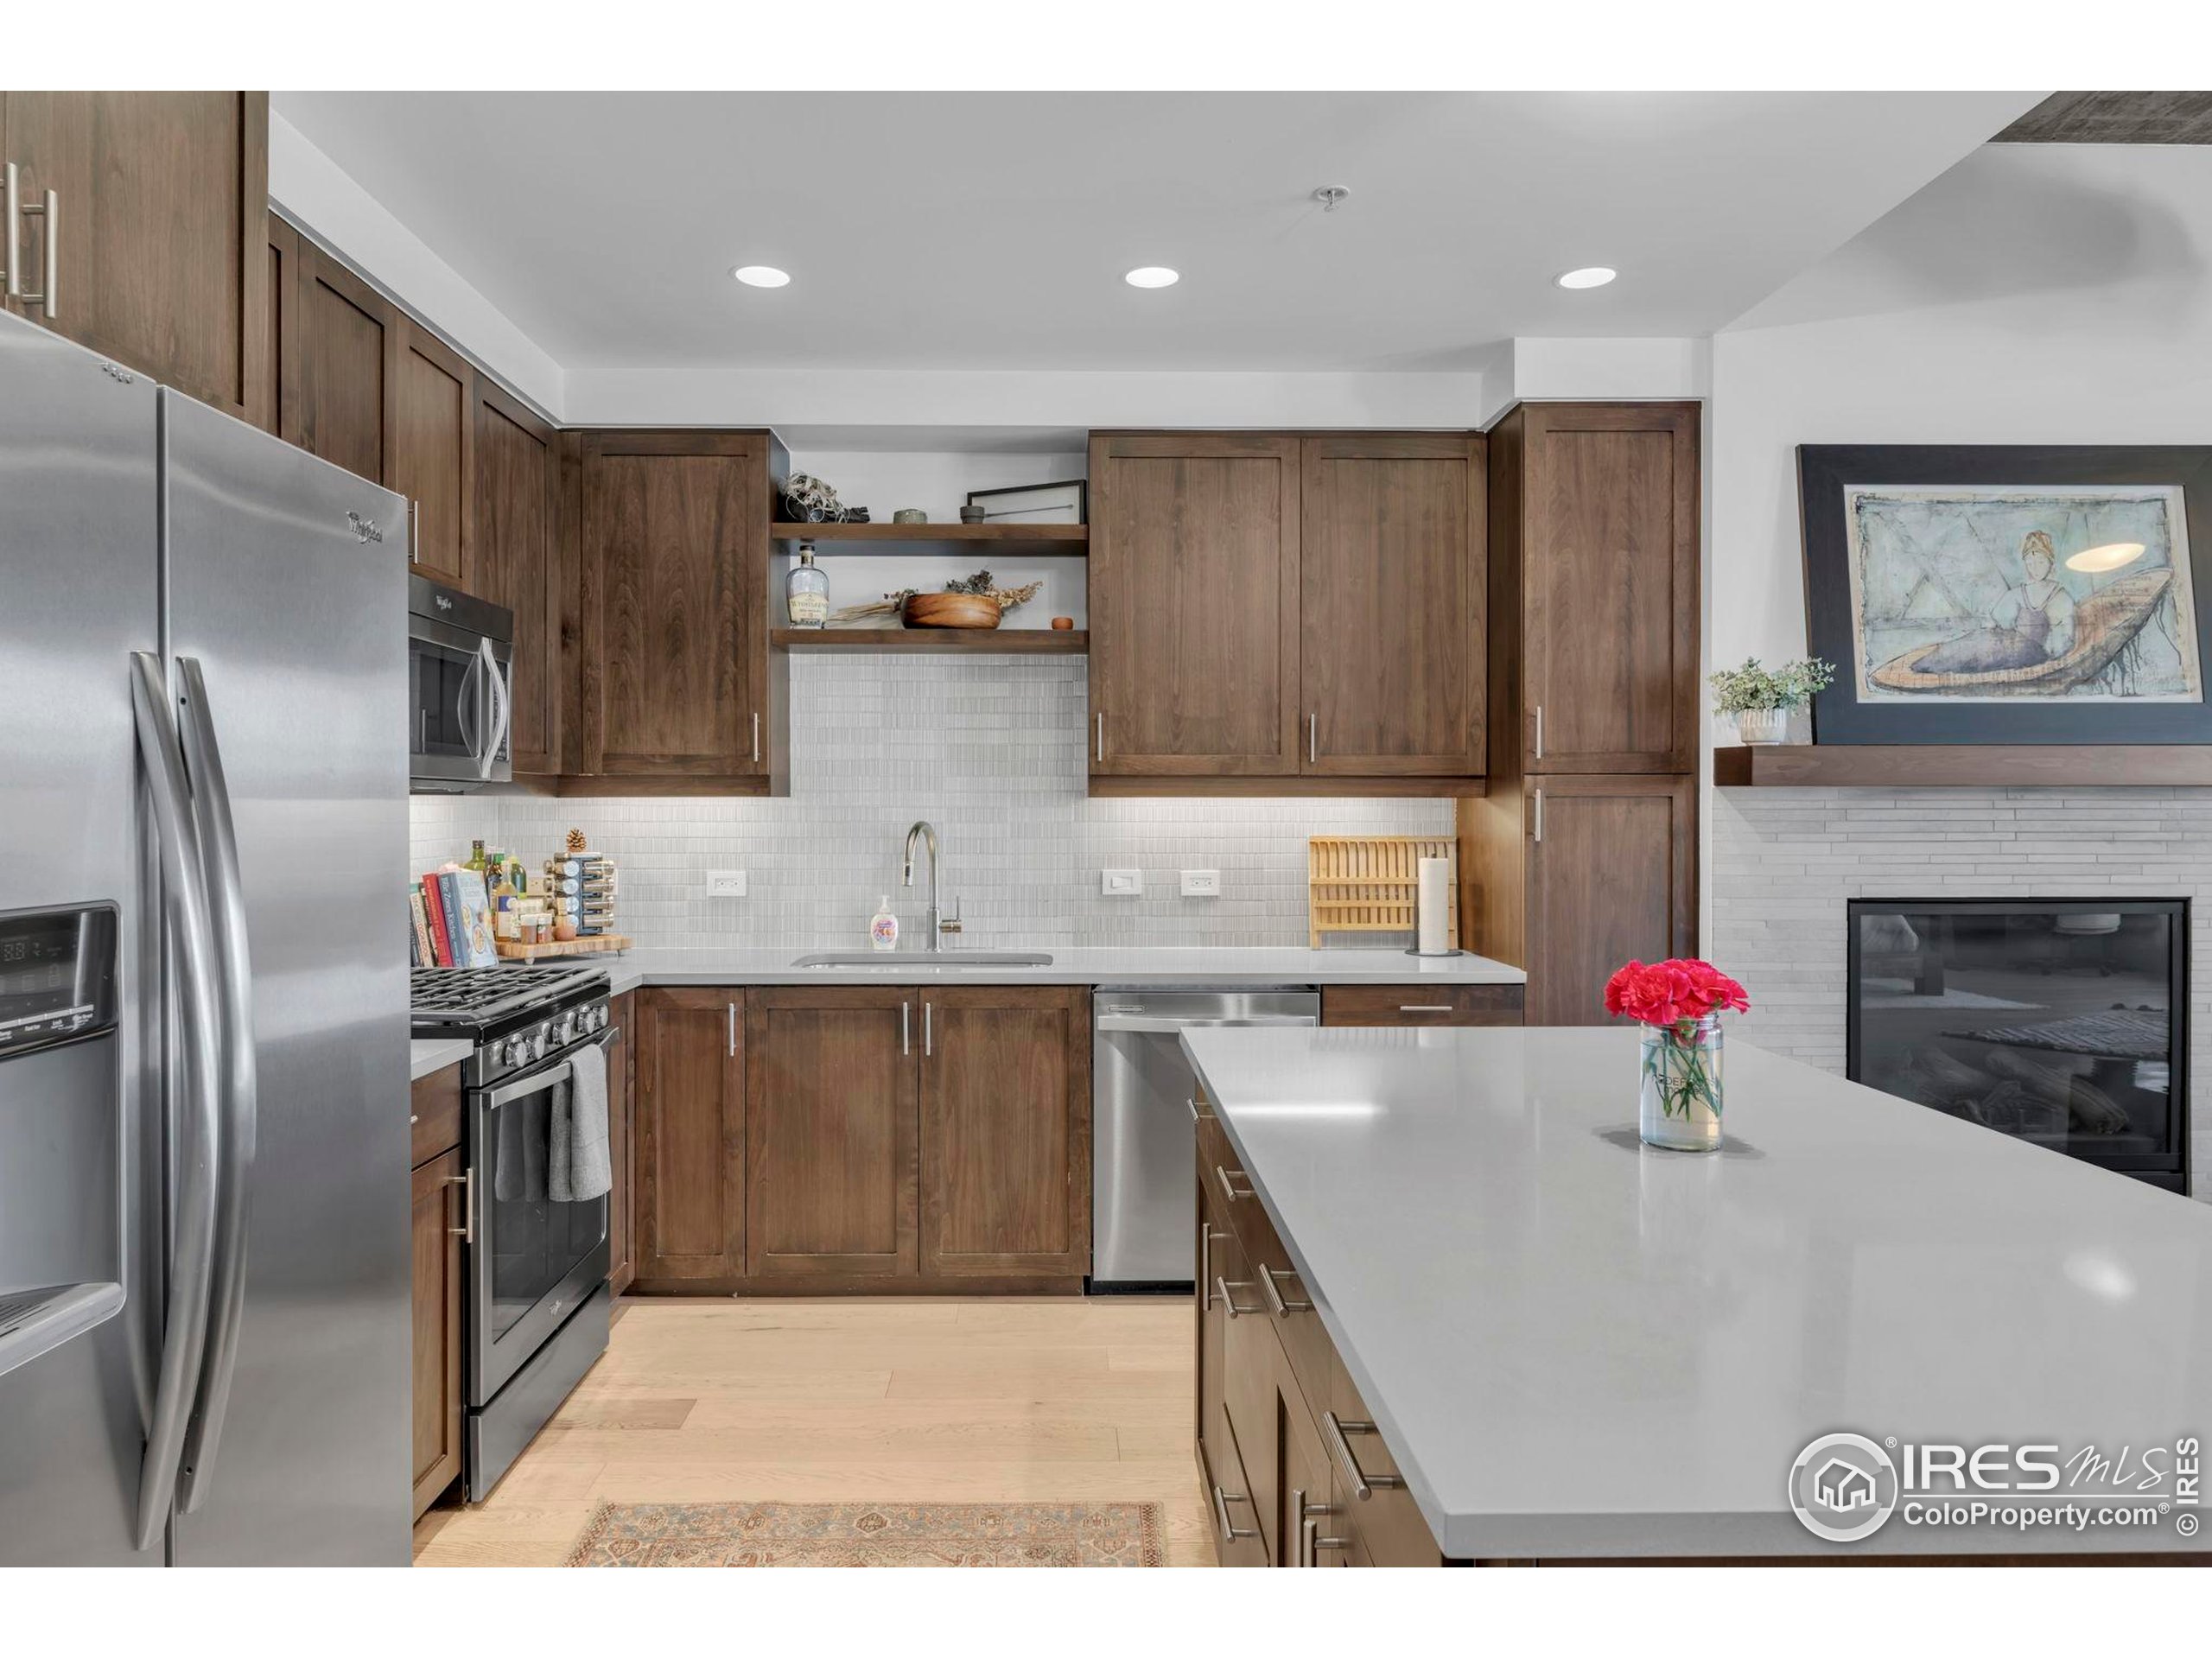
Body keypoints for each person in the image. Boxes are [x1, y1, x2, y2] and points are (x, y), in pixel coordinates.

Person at [1917, 529, 2077, 675]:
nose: (2035, 568)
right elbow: (1998, 620)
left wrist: (2050, 652)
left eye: (2041, 562)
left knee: (1979, 655)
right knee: (1973, 643)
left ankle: (1930, 668)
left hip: (2030, 654)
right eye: (2030, 563)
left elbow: (2064, 640)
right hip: (2008, 644)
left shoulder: (2061, 597)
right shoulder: (2019, 592)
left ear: (2051, 562)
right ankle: (1927, 663)